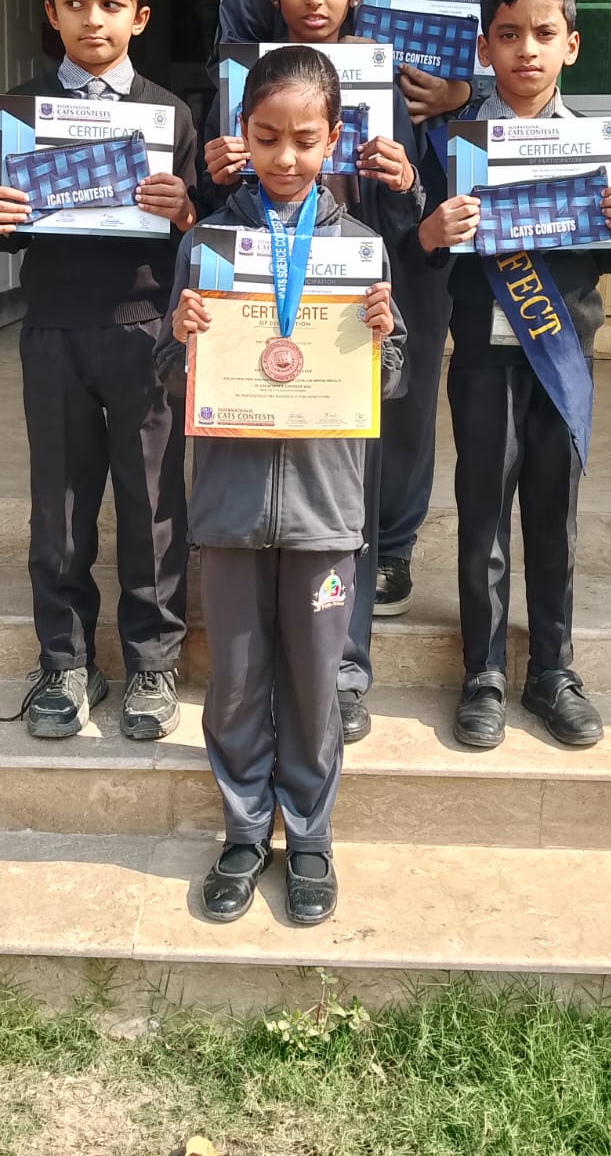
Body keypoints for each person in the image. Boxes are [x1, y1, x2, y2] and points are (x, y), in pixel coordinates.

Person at [205, 0, 475, 701]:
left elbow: (495, 65)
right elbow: (233, 52)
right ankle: (273, 529)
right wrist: (231, 147)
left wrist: (455, 99)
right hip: (286, 205)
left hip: (402, 206)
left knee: (400, 373)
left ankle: (386, 545)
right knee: (288, 358)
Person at [156, 46, 406, 927]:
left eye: (305, 140)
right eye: (267, 138)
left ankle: (308, 836)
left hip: (325, 515)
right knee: (234, 680)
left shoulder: (361, 248)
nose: (286, 157)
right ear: (243, 134)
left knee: (313, 680)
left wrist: (382, 338)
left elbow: (394, 380)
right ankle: (240, 831)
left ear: (334, 138)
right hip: (228, 510)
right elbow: (172, 382)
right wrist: (181, 337)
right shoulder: (208, 247)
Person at [0, 0, 197, 743]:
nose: (92, 20)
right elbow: (7, 225)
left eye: (110, 4)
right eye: (74, 3)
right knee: (60, 506)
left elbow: (198, 234)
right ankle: (65, 661)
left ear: (139, 15)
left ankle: (152, 663)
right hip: (54, 331)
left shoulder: (170, 115)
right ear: (51, 12)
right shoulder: (22, 115)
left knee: (152, 503)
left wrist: (186, 211)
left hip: (145, 334)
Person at [416, 0, 611, 750]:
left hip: (560, 359)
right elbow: (420, 251)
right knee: (483, 518)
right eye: (509, 35)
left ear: (570, 45)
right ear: (484, 48)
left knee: (554, 521)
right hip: (482, 359)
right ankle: (482, 673)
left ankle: (552, 671)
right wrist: (430, 232)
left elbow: (605, 253)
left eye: (544, 34)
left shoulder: (593, 146)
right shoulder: (451, 146)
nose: (527, 49)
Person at [207, 0, 424, 743]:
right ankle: (269, 669)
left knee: (344, 515)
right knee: (267, 509)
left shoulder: (384, 83)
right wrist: (212, 172)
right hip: (255, 330)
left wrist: (404, 183)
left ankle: (344, 669)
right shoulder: (243, 81)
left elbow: (413, 229)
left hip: (344, 331)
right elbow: (209, 221)